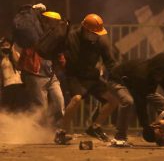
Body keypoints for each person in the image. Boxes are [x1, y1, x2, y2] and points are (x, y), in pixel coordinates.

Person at [55, 14, 132, 144]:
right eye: (93, 33)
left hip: (92, 76)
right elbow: (58, 49)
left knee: (113, 100)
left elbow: (110, 62)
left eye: (98, 33)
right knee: (76, 99)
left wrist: (120, 76)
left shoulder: (101, 40)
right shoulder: (71, 37)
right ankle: (61, 133)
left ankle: (94, 127)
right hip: (75, 76)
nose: (96, 35)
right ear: (84, 29)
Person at [109, 53, 164, 144]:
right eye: (157, 74)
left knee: (161, 101)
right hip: (117, 80)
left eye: (161, 75)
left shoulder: (161, 72)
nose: (159, 78)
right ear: (153, 70)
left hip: (137, 86)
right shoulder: (142, 74)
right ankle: (120, 137)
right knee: (128, 101)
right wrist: (146, 126)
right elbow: (140, 103)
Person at [18, 10, 66, 129]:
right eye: (53, 22)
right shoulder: (34, 34)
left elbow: (59, 53)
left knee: (60, 103)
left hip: (50, 75)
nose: (55, 24)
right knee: (41, 108)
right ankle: (38, 133)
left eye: (56, 22)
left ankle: (61, 130)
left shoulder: (54, 36)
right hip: (36, 75)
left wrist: (61, 62)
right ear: (45, 21)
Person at [0, 37, 27, 112]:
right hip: (7, 86)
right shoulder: (1, 59)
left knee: (19, 109)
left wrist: (12, 49)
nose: (5, 47)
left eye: (7, 45)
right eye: (3, 45)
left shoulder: (16, 54)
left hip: (18, 84)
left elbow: (18, 65)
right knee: (9, 110)